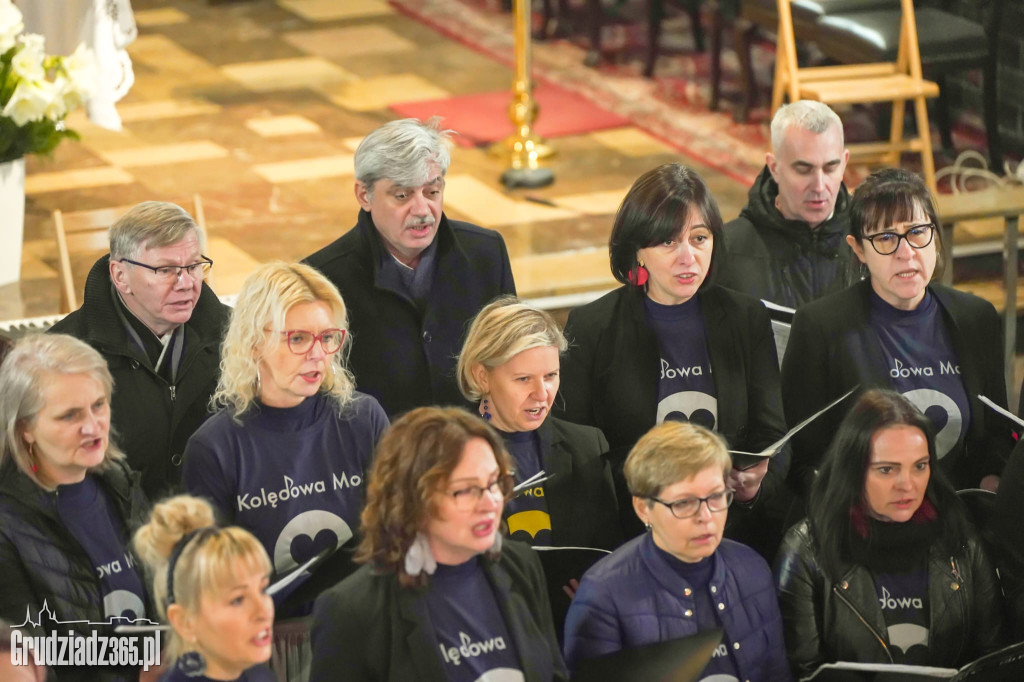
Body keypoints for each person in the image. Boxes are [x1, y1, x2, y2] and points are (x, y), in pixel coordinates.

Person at [557, 163, 788, 558]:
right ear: (637, 253)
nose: (688, 257)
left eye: (699, 238)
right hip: (629, 542)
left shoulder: (746, 318)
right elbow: (578, 457)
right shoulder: (593, 326)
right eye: (668, 242)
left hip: (729, 532)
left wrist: (753, 489)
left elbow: (774, 437)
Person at [781, 168, 1013, 496]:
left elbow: (996, 436)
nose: (906, 252)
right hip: (863, 523)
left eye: (917, 232)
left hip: (961, 515)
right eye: (886, 238)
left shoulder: (976, 318)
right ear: (859, 249)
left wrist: (991, 482)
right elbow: (800, 458)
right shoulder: (821, 327)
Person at [183, 262, 389, 616]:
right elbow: (210, 582)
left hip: (367, 621)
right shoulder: (214, 448)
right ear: (252, 344)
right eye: (297, 338)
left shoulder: (362, 419)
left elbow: (401, 531)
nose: (318, 355)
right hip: (268, 636)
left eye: (327, 337)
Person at [309, 407, 567, 682]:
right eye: (465, 490)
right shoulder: (351, 610)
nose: (491, 502)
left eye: (494, 483)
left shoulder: (520, 564)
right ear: (411, 499)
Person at [775, 389, 1003, 677]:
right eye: (887, 470)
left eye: (920, 466)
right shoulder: (807, 550)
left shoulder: (960, 539)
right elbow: (803, 670)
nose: (907, 485)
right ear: (852, 470)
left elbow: (990, 659)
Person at [304, 117, 516, 417]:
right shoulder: (321, 279)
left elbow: (512, 361)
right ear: (365, 195)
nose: (422, 210)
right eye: (402, 195)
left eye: (432, 192)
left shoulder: (485, 253)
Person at [563, 421, 790, 680]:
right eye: (684, 502)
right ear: (643, 508)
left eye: (716, 496)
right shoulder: (603, 596)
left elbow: (777, 674)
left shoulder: (752, 568)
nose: (706, 516)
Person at [49, 201, 230, 498]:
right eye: (166, 269)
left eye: (193, 266)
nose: (186, 283)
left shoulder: (234, 335)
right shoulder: (61, 358)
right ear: (120, 276)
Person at [0, 334, 150, 681]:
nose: (92, 426)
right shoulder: (8, 523)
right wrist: (151, 656)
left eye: (99, 405)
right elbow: (35, 657)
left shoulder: (118, 479)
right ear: (25, 430)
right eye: (69, 416)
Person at [456, 296, 620, 550]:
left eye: (551, 376)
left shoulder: (587, 446)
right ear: (482, 377)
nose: (542, 394)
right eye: (523, 379)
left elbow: (609, 549)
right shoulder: (446, 454)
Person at [713, 100, 860, 309]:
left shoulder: (873, 238)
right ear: (774, 168)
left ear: (844, 162)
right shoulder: (727, 250)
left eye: (830, 168)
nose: (819, 186)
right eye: (803, 170)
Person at [133, 495, 276, 682]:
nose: (263, 611)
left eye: (263, 590)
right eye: (238, 600)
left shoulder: (261, 676)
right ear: (185, 622)